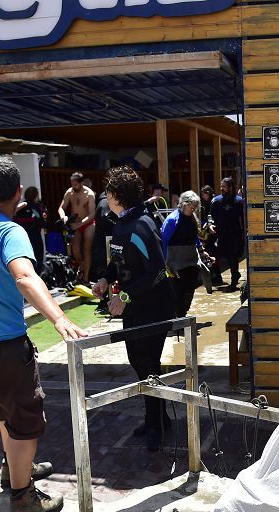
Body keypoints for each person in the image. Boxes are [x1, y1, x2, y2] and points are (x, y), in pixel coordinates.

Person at [0, 156, 87, 512]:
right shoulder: (9, 232)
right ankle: (23, 497)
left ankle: (14, 471)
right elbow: (24, 277)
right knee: (25, 421)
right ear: (17, 193)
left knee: (4, 411)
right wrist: (58, 317)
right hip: (3, 346)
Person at [92, 166, 176, 451]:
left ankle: (155, 424)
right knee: (137, 361)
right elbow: (119, 261)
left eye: (109, 192)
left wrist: (124, 296)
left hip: (154, 305)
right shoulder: (120, 223)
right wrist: (106, 278)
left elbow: (156, 271)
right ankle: (159, 417)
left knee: (147, 363)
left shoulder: (142, 224)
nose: (106, 196)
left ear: (118, 196)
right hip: (135, 305)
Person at [161, 191, 210, 318]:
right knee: (179, 290)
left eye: (195, 206)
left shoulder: (193, 218)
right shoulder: (172, 220)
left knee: (190, 288)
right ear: (184, 204)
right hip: (175, 260)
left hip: (191, 259)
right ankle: (178, 316)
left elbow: (195, 237)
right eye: (191, 206)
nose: (194, 208)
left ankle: (183, 312)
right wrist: (165, 262)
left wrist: (202, 251)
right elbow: (164, 241)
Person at [57, 171, 97, 284]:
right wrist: (63, 216)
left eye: (76, 184)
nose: (73, 186)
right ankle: (82, 266)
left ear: (81, 183)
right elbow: (61, 207)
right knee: (75, 250)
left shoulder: (89, 194)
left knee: (86, 249)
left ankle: (86, 277)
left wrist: (81, 224)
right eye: (72, 184)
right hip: (75, 223)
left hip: (88, 223)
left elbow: (92, 214)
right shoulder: (69, 192)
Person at [207, 176, 245, 290]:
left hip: (234, 234)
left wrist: (243, 234)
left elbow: (243, 218)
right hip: (220, 233)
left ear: (231, 187)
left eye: (224, 186)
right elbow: (210, 216)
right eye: (221, 186)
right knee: (214, 254)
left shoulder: (238, 201)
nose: (222, 189)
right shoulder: (216, 201)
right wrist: (210, 225)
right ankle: (217, 277)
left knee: (232, 257)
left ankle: (234, 280)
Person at [14, 186, 47, 275]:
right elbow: (43, 223)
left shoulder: (20, 206)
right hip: (35, 237)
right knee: (37, 260)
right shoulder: (38, 207)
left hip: (21, 238)